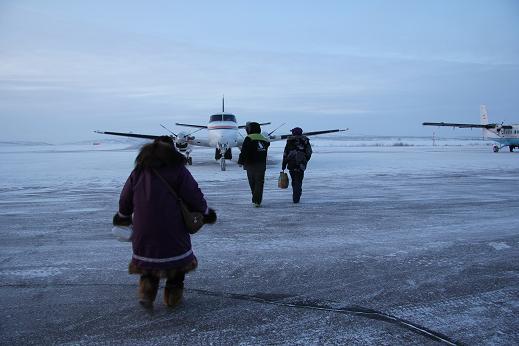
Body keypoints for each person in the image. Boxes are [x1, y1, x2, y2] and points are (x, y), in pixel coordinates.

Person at [113, 136, 217, 309]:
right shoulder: (178, 170)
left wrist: (123, 216)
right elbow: (193, 194)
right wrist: (205, 213)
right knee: (177, 264)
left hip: (144, 226)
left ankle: (147, 293)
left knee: (148, 262)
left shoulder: (139, 170)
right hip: (172, 226)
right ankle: (172, 297)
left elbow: (126, 196)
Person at [237, 122, 270, 207]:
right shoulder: (263, 138)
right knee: (259, 183)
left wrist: (241, 161)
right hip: (262, 164)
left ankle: (256, 199)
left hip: (251, 164)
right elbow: (267, 145)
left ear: (250, 129)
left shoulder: (249, 138)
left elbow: (244, 151)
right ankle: (257, 201)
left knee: (253, 182)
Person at [282, 127, 312, 203]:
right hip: (301, 164)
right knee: (299, 180)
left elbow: (285, 153)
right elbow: (309, 152)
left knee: (294, 180)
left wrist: (284, 164)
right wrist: (305, 160)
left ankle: (296, 195)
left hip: (291, 163)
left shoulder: (290, 141)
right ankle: (297, 194)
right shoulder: (305, 140)